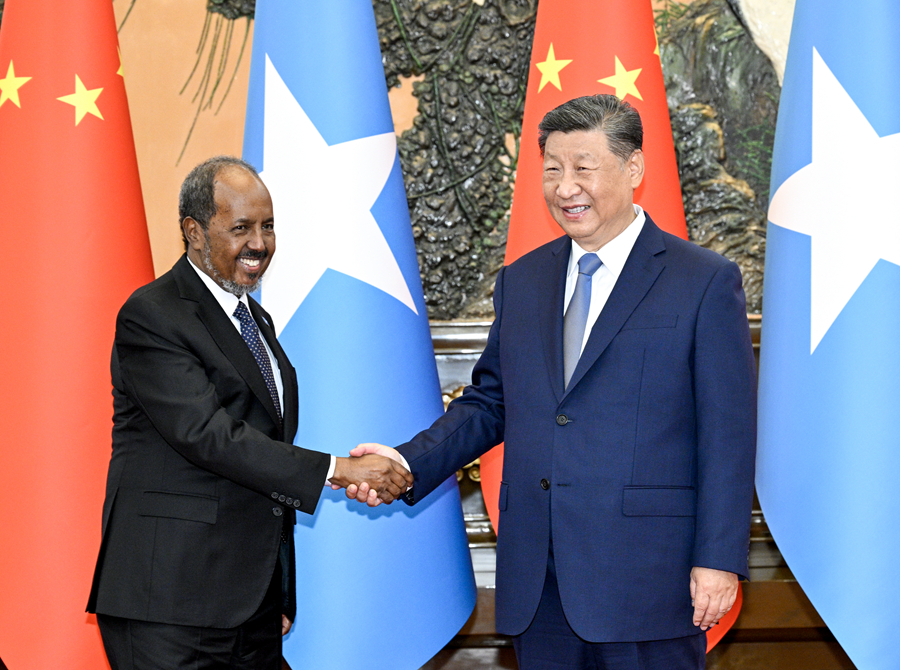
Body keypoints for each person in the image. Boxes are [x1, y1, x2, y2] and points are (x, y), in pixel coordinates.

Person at [346, 95, 757, 669]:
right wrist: (407, 463)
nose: (566, 187)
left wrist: (718, 559)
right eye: (553, 169)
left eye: (584, 167)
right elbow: (492, 402)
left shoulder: (704, 281)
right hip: (540, 585)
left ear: (633, 168)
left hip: (648, 582)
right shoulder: (525, 280)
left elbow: (728, 436)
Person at [86, 156, 412, 670]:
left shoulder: (251, 315)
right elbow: (209, 435)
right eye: (241, 228)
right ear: (193, 232)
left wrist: (275, 587)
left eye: (268, 226)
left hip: (247, 605)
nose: (259, 244)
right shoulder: (154, 314)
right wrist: (336, 468)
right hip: (171, 605)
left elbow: (265, 445)